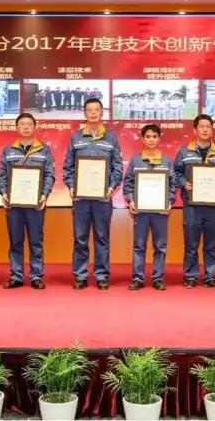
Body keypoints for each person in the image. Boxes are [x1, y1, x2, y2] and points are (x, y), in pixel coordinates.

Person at [63, 98, 123, 290]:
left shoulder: (111, 138)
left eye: (97, 109)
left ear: (102, 113)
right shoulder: (76, 138)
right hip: (81, 198)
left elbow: (117, 167)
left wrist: (111, 187)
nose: (93, 113)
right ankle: (80, 275)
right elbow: (68, 167)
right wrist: (72, 186)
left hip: (103, 198)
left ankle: (101, 275)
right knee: (80, 238)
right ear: (85, 113)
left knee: (102, 238)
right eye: (90, 110)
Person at [0, 113, 55, 289]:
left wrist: (44, 194)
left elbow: (49, 174)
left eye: (29, 124)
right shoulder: (8, 150)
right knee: (15, 241)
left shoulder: (44, 150)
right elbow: (2, 176)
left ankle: (36, 276)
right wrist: (4, 193)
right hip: (14, 204)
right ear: (16, 128)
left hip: (36, 204)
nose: (26, 127)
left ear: (34, 127)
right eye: (22, 124)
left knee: (36, 242)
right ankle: (16, 276)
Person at [174, 114, 215, 288]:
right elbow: (175, 173)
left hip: (213, 206)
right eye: (202, 126)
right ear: (195, 130)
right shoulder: (184, 151)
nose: (205, 129)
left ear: (212, 130)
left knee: (211, 244)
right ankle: (190, 276)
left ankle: (210, 276)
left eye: (208, 127)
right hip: (192, 205)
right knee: (191, 243)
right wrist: (184, 183)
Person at [123, 124, 176, 290]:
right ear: (143, 139)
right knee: (139, 245)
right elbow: (128, 184)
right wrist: (131, 200)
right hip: (141, 211)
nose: (151, 140)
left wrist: (169, 201)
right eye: (148, 136)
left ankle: (157, 278)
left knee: (160, 246)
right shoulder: (136, 160)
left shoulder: (167, 160)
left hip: (160, 211)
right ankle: (138, 278)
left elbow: (172, 184)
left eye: (154, 136)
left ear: (159, 139)